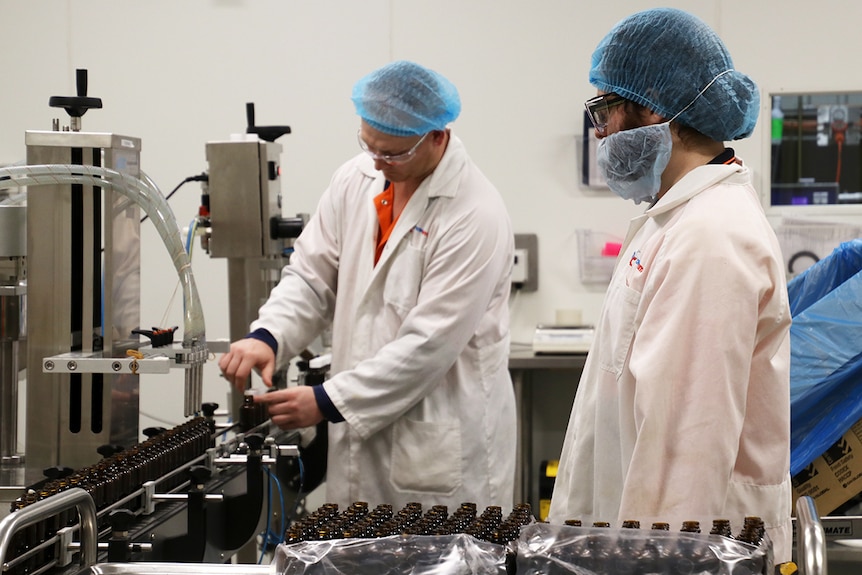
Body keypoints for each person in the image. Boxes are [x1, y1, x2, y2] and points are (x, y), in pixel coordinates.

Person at [548, 7, 793, 563]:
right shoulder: (676, 218)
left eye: (605, 108)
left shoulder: (710, 237)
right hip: (640, 536)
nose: (600, 130)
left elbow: (686, 445)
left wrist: (654, 560)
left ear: (654, 107)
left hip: (677, 550)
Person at [218, 60, 517, 511]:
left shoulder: (475, 213)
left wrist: (326, 400)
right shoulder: (356, 179)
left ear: (438, 136)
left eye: (393, 153)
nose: (377, 162)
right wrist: (269, 336)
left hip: (438, 443)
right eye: (368, 144)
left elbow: (428, 345)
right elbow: (312, 275)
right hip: (360, 435)